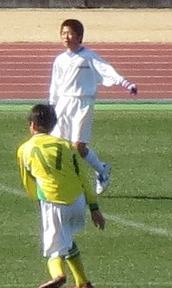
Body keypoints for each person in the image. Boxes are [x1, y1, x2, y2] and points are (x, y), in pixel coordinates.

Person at [17, 103, 103, 288]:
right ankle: (83, 283)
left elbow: (28, 181)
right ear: (53, 125)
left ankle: (58, 275)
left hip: (54, 202)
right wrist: (94, 207)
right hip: (78, 201)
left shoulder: (24, 149)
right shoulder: (66, 146)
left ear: (32, 125)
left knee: (54, 248)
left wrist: (38, 198)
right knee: (67, 239)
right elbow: (82, 176)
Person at [48, 18, 137, 194]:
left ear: (79, 36)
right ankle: (61, 179)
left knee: (78, 147)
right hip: (63, 103)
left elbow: (106, 70)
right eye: (64, 33)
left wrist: (126, 83)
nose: (67, 37)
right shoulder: (59, 60)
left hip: (83, 103)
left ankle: (102, 170)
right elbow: (55, 84)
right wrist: (52, 104)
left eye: (71, 33)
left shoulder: (87, 57)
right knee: (57, 143)